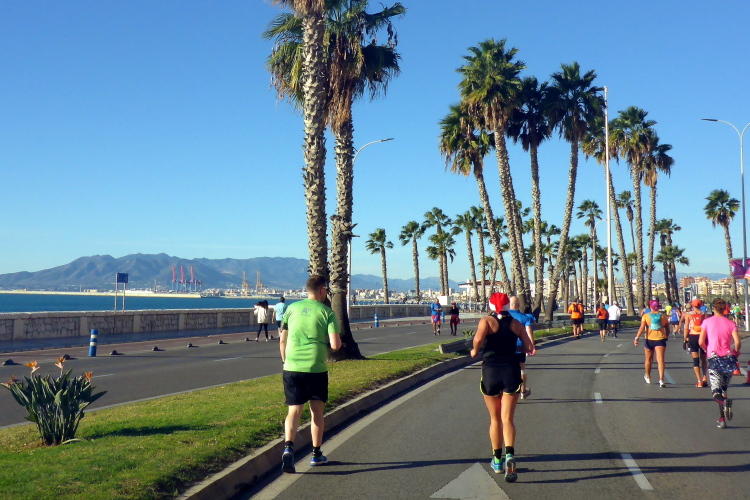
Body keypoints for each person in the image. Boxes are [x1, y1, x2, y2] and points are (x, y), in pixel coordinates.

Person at [279, 275, 341, 473]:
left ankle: (288, 447)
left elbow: (282, 339)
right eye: (327, 290)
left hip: (292, 367)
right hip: (316, 368)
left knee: (294, 411)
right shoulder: (327, 312)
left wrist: (285, 360)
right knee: (317, 411)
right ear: (322, 290)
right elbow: (335, 345)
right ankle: (316, 454)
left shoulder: (291, 309)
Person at [470, 293, 534, 483]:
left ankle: (497, 460)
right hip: (511, 370)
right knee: (508, 419)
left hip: (491, 370)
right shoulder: (516, 324)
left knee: (495, 418)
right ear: (508, 306)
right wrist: (515, 349)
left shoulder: (486, 321)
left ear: (491, 305)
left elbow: (478, 340)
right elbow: (529, 347)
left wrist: (474, 351)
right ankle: (510, 455)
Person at [699, 298, 742, 428]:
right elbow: (738, 342)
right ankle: (722, 418)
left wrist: (708, 350)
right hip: (728, 359)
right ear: (725, 309)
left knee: (716, 392)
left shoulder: (707, 322)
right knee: (723, 389)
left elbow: (701, 341)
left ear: (713, 308)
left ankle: (724, 405)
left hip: (714, 359)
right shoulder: (730, 323)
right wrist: (736, 352)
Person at [634, 299, 669, 387]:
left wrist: (637, 338)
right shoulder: (663, 316)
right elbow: (667, 329)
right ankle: (661, 380)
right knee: (660, 360)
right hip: (660, 339)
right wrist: (666, 336)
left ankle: (648, 376)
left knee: (648, 360)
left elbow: (642, 328)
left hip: (649, 339)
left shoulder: (646, 316)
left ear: (650, 307)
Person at [508, 297, 535, 399]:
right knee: (521, 369)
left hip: (506, 347)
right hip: (520, 347)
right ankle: (523, 391)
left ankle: (508, 390)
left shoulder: (505, 316)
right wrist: (531, 346)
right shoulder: (524, 317)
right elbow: (529, 331)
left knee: (507, 368)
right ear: (518, 305)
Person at [684, 299, 708, 387]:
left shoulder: (688, 315)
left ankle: (699, 381)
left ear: (693, 306)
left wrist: (685, 338)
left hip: (693, 336)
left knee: (695, 359)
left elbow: (686, 327)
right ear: (700, 305)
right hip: (703, 337)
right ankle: (704, 376)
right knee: (703, 358)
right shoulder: (704, 314)